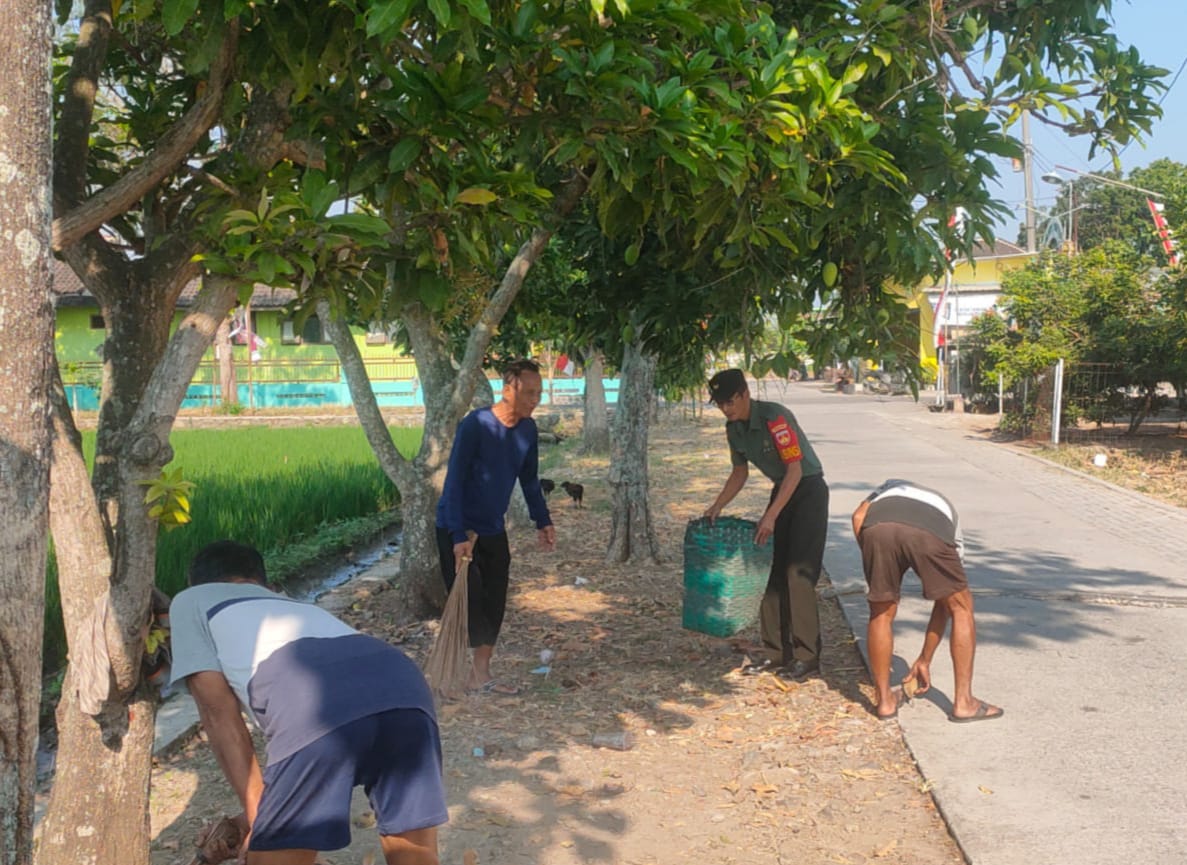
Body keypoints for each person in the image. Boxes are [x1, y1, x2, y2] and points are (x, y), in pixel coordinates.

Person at [169, 540, 447, 865]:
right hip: (402, 685)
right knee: (413, 852)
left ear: (195, 582)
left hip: (314, 702)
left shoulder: (189, 601)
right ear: (261, 581)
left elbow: (218, 715)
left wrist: (258, 820)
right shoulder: (290, 603)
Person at [436, 358, 556, 695]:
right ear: (508, 389)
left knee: (494, 601)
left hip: (492, 528)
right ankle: (449, 676)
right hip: (457, 527)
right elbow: (454, 481)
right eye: (529, 392)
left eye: (539, 393)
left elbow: (529, 480)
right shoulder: (476, 425)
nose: (535, 399)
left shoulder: (528, 430)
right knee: (467, 602)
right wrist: (457, 535)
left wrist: (543, 520)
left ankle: (480, 675)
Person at [703, 369, 829, 680]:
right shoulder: (734, 429)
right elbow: (739, 473)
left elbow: (795, 470)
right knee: (771, 574)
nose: (726, 409)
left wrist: (770, 516)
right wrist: (718, 505)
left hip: (808, 491)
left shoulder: (775, 418)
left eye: (730, 402)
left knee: (798, 575)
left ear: (745, 394)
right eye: (720, 404)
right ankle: (775, 653)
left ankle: (807, 657)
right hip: (782, 490)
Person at [851, 479, 1004, 723]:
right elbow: (946, 605)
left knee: (881, 613)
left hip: (877, 529)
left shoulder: (889, 486)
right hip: (928, 533)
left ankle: (885, 702)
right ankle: (964, 703)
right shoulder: (948, 517)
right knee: (962, 608)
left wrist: (874, 559)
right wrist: (925, 658)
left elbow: (858, 516)